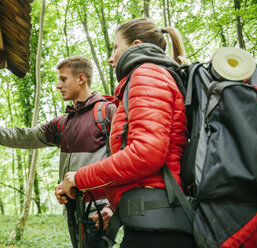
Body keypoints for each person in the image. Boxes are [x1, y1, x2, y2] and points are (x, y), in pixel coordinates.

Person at [0, 56, 117, 248]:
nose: (58, 85)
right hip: (73, 210)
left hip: (99, 212)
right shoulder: (63, 123)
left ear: (81, 78)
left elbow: (125, 162)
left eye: (63, 79)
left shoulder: (107, 113)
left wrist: (113, 207)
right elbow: (23, 136)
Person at [57, 18, 196, 248]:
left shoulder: (147, 74)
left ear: (135, 45)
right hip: (150, 223)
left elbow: (146, 153)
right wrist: (79, 187)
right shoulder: (145, 78)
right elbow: (139, 169)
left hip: (158, 231)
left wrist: (80, 177)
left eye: (115, 47)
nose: (111, 58)